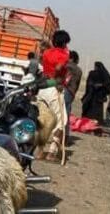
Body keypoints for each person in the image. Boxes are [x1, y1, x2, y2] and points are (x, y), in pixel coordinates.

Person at [36, 29, 71, 163]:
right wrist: (57, 78)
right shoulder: (64, 54)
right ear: (64, 43)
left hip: (43, 88)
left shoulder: (46, 53)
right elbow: (58, 68)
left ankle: (39, 151)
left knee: (43, 120)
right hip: (54, 89)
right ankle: (52, 151)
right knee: (62, 122)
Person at [64, 50, 83, 122]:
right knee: (67, 111)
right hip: (72, 92)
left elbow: (66, 79)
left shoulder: (68, 66)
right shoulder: (79, 70)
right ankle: (66, 130)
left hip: (65, 89)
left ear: (71, 58)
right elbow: (77, 84)